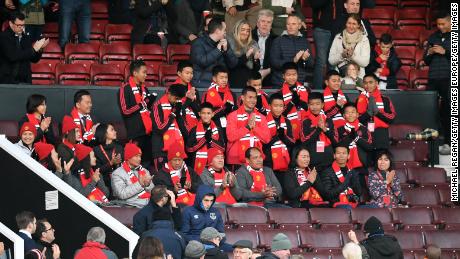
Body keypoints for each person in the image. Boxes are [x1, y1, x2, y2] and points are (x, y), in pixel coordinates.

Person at [118, 60, 157, 168]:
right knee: (134, 163)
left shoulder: (145, 89)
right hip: (135, 134)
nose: (146, 75)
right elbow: (125, 111)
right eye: (144, 72)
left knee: (147, 163)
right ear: (135, 73)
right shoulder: (125, 89)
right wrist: (142, 104)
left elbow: (146, 109)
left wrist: (150, 102)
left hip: (148, 132)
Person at [424, 11, 451, 155]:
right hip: (433, 78)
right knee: (430, 110)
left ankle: (448, 142)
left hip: (449, 79)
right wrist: (429, 53)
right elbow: (425, 60)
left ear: (451, 21)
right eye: (438, 24)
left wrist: (445, 52)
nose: (440, 27)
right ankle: (430, 145)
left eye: (443, 24)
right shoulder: (433, 37)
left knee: (448, 111)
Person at [226, 87, 270, 168]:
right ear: (242, 98)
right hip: (236, 161)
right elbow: (230, 137)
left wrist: (254, 127)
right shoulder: (232, 116)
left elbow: (267, 139)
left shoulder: (262, 117)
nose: (253, 100)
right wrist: (247, 127)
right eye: (250, 97)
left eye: (255, 97)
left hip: (256, 160)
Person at [0, 12, 48, 84]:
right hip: (7, 81)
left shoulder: (25, 37)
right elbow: (13, 56)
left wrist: (40, 48)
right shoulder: (4, 37)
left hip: (25, 81)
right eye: (18, 25)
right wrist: (33, 49)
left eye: (23, 25)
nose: (21, 28)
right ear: (11, 23)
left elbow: (34, 59)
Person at [190, 17, 238, 88]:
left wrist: (227, 50)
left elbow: (233, 64)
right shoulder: (198, 43)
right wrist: (218, 50)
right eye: (224, 30)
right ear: (218, 31)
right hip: (202, 84)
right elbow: (202, 61)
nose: (225, 32)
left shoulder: (224, 43)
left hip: (220, 84)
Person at [356, 74, 396, 156]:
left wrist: (377, 113)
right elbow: (356, 120)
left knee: (380, 162)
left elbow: (392, 118)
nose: (368, 85)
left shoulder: (385, 99)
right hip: (365, 135)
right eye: (365, 83)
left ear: (376, 83)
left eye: (371, 82)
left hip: (380, 135)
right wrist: (368, 114)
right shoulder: (359, 99)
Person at [151, 84, 188, 171]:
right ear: (169, 94)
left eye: (179, 99)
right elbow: (160, 129)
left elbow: (185, 131)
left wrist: (178, 114)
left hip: (177, 150)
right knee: (162, 178)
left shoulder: (178, 106)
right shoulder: (157, 106)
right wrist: (173, 114)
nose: (177, 101)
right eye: (176, 98)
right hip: (161, 149)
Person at [337, 102, 373, 191]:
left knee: (362, 191)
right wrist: (350, 136)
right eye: (347, 112)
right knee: (346, 191)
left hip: (361, 166)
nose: (350, 114)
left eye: (353, 112)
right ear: (344, 115)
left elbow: (369, 147)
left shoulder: (364, 129)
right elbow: (338, 146)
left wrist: (356, 138)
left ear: (357, 114)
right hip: (345, 166)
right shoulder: (340, 129)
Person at [270, 15, 313, 87]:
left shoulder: (305, 42)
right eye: (288, 24)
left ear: (299, 26)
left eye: (293, 24)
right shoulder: (278, 40)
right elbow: (274, 63)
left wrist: (305, 59)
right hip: (280, 83)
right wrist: (293, 60)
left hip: (299, 83)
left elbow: (311, 64)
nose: (290, 26)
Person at [301, 92, 337, 170]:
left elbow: (335, 141)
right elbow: (304, 141)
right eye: (312, 104)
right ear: (308, 105)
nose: (315, 107)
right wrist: (318, 129)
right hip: (313, 162)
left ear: (322, 105)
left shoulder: (328, 120)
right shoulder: (305, 121)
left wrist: (325, 130)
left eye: (317, 104)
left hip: (329, 161)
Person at [187, 102, 225, 175]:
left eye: (208, 113)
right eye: (203, 113)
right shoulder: (194, 130)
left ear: (213, 114)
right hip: (198, 164)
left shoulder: (218, 129)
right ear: (199, 114)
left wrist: (211, 141)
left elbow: (222, 148)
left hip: (214, 165)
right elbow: (189, 149)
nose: (206, 116)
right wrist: (204, 140)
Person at [112, 143, 154, 208]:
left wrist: (148, 185)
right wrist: (139, 184)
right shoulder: (117, 173)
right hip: (130, 207)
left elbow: (152, 192)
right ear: (128, 157)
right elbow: (121, 194)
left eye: (140, 156)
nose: (139, 159)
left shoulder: (144, 171)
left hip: (147, 204)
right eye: (136, 156)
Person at [262, 93, 295, 177]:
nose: (278, 109)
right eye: (275, 106)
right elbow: (262, 144)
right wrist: (276, 137)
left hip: (284, 159)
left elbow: (292, 142)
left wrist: (283, 137)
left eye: (281, 106)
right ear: (269, 106)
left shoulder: (287, 121)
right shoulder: (263, 120)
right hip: (268, 161)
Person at [329, 14, 370, 78]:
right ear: (346, 24)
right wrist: (342, 55)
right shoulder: (338, 37)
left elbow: (365, 62)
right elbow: (331, 60)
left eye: (354, 24)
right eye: (349, 23)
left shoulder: (364, 39)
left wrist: (352, 56)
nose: (351, 26)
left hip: (359, 78)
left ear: (358, 25)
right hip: (340, 77)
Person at [202, 65, 237, 141]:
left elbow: (236, 112)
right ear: (214, 78)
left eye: (226, 77)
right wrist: (224, 110)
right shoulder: (207, 94)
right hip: (214, 128)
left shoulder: (232, 94)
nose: (224, 80)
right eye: (221, 77)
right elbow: (206, 115)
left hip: (229, 128)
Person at [279, 62, 310, 141]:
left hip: (306, 125)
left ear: (297, 75)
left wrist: (299, 101)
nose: (292, 77)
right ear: (283, 76)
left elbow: (310, 108)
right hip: (290, 128)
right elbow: (281, 114)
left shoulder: (306, 90)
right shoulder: (280, 93)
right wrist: (292, 103)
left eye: (294, 74)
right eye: (288, 75)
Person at [228, 19, 261, 88]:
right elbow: (232, 64)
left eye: (248, 31)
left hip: (249, 84)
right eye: (242, 30)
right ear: (237, 30)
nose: (245, 33)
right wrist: (246, 55)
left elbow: (256, 69)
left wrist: (255, 59)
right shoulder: (230, 43)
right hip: (234, 82)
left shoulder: (253, 44)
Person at [93, 123, 124, 192]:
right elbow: (97, 170)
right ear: (105, 133)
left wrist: (118, 163)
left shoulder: (119, 147)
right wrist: (111, 163)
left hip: (120, 181)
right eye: (112, 130)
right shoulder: (96, 150)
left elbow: (123, 167)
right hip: (104, 184)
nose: (115, 132)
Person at [173, 60, 200, 129]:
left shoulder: (194, 90)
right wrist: (188, 100)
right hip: (178, 126)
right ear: (179, 73)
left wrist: (193, 102)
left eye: (191, 73)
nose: (190, 76)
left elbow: (199, 112)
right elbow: (174, 111)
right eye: (187, 73)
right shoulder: (172, 89)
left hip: (194, 125)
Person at [251, 9, 276, 85]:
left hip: (269, 75)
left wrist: (268, 71)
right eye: (263, 21)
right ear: (258, 23)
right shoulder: (249, 36)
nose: (265, 24)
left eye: (268, 22)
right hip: (250, 74)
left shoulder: (276, 39)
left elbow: (279, 62)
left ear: (271, 25)